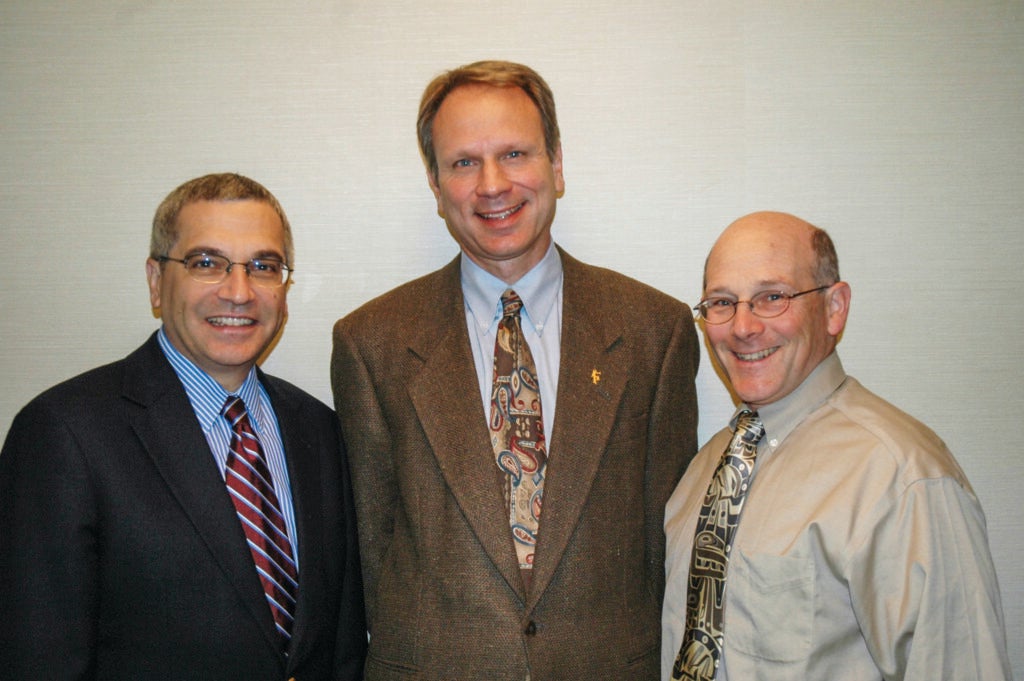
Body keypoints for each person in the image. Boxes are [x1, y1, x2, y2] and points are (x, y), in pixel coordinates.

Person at [331, 60, 699, 680]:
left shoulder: (651, 331)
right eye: (464, 162)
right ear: (435, 181)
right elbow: (375, 549)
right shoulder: (372, 344)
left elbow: (665, 545)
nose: (492, 184)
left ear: (556, 164)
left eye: (515, 154)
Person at [0, 173, 366, 680]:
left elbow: (341, 646)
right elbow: (37, 658)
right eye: (206, 263)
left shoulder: (321, 431)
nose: (239, 292)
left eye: (264, 266)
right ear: (156, 281)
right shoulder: (64, 433)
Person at [661, 211, 1012, 680]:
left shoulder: (904, 477)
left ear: (834, 308)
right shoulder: (703, 472)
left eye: (772, 297)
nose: (743, 327)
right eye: (722, 302)